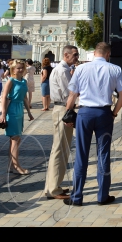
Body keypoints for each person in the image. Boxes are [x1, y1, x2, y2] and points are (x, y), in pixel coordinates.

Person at [63, 42, 122, 206]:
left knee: (81, 155)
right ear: (108, 54)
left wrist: (68, 115)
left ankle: (77, 197)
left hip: (84, 113)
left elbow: (72, 95)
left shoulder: (81, 69)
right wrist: (114, 112)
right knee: (103, 154)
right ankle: (102, 196)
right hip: (104, 113)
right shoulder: (115, 69)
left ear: (94, 53)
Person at [43, 45, 79, 200]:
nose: (77, 58)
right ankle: (53, 189)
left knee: (59, 149)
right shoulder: (63, 70)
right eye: (75, 55)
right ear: (66, 55)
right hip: (63, 109)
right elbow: (69, 94)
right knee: (60, 149)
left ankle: (52, 186)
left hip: (61, 108)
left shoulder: (61, 69)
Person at [0, 59, 34, 175]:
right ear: (13, 69)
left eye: (22, 68)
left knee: (16, 140)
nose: (20, 70)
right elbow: (4, 97)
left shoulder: (23, 81)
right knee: (15, 139)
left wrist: (29, 112)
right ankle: (17, 166)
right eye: (18, 68)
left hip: (20, 110)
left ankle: (11, 166)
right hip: (12, 110)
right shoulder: (11, 80)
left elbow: (24, 97)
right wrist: (3, 113)